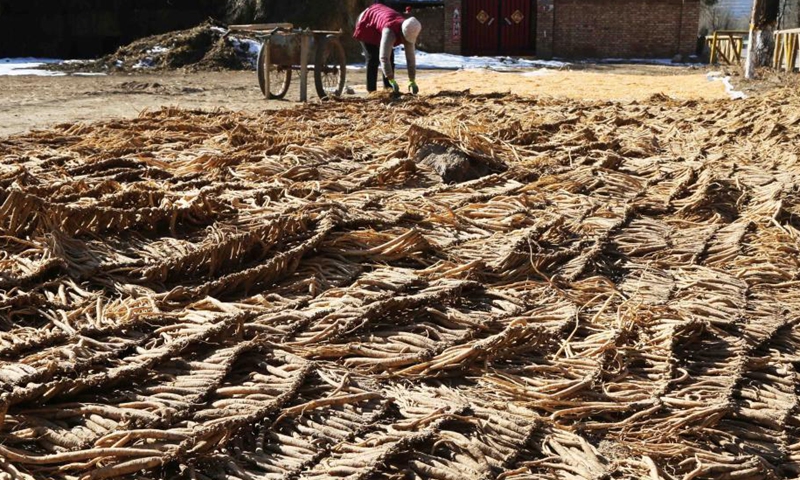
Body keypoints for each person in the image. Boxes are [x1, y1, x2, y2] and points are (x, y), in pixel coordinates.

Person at [354, 3, 421, 94]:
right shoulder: (390, 31)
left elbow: (411, 58)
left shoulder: (410, 30)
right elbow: (384, 58)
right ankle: (372, 91)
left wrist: (412, 80)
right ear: (402, 33)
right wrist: (391, 79)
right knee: (373, 57)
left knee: (391, 57)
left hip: (381, 23)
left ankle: (388, 89)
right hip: (367, 21)